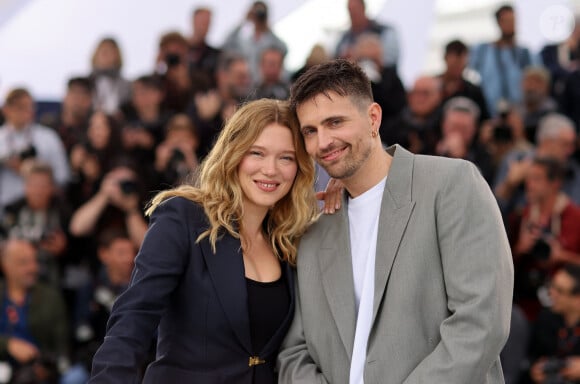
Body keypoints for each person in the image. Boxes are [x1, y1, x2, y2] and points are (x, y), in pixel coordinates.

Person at [277, 59, 514, 383]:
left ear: (373, 118)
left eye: (335, 122)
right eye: (310, 131)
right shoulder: (315, 231)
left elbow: (481, 322)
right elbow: (294, 353)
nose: (323, 142)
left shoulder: (452, 184)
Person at [89, 98, 318, 383]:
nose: (271, 169)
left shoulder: (289, 239)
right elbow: (135, 314)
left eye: (286, 157)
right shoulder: (184, 217)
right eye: (257, 153)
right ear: (234, 153)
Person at [469, 4, 535, 116]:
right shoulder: (483, 50)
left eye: (513, 20)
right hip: (489, 111)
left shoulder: (524, 53)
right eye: (507, 21)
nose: (512, 25)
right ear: (499, 23)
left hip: (520, 113)